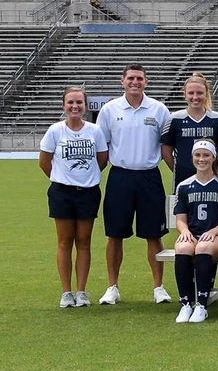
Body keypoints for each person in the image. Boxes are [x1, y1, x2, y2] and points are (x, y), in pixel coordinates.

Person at [96, 63, 171, 305]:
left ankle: (158, 287)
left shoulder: (159, 110)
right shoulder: (109, 110)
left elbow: (166, 145)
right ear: (122, 81)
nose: (135, 82)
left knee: (154, 234)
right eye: (130, 78)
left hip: (149, 176)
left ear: (146, 82)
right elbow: (102, 146)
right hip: (120, 176)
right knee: (115, 234)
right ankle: (112, 286)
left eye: (139, 78)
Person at [40, 86, 108, 308]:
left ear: (85, 106)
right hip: (62, 193)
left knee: (84, 241)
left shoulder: (94, 131)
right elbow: (44, 161)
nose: (75, 106)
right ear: (63, 105)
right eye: (70, 102)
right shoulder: (55, 131)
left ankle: (81, 291)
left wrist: (84, 178)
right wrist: (62, 178)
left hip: (88, 193)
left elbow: (102, 159)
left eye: (79, 102)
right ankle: (66, 292)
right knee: (64, 241)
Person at [171, 139, 218, 323]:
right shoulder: (184, 185)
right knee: (183, 248)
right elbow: (181, 219)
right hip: (194, 235)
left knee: (203, 247)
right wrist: (184, 232)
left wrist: (214, 232)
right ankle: (185, 303)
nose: (202, 159)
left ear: (214, 157)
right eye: (198, 155)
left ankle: (201, 305)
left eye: (206, 155)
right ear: (192, 157)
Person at [161, 72, 218, 189]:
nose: (195, 97)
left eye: (200, 93)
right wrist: (179, 169)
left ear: (206, 94)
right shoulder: (175, 119)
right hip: (183, 179)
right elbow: (166, 152)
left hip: (213, 179)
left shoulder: (217, 119)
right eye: (191, 93)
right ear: (184, 95)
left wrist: (217, 168)